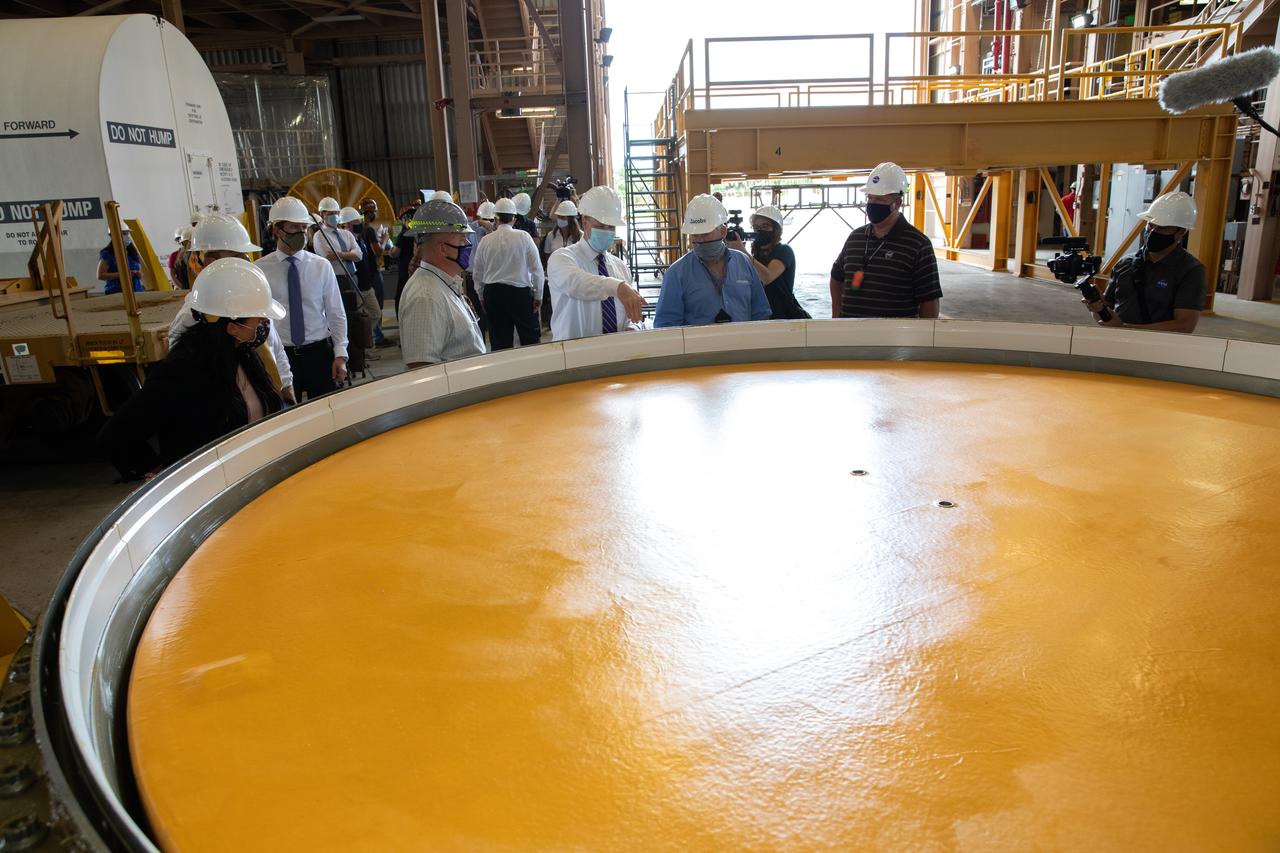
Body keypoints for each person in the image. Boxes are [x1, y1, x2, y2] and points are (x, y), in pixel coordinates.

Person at [98, 258, 286, 481]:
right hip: (211, 489)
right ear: (232, 327)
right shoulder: (180, 373)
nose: (265, 324)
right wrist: (158, 471)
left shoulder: (243, 356)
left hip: (250, 479)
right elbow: (115, 435)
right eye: (259, 319)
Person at [167, 212, 295, 404]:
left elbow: (274, 347)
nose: (245, 261)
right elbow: (181, 378)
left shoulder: (252, 297)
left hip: (268, 400)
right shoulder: (192, 316)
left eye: (246, 255)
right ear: (211, 262)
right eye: (237, 256)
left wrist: (287, 388)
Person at [255, 196, 349, 398]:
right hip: (282, 357)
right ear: (276, 230)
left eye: (303, 228)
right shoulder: (260, 271)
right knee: (286, 416)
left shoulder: (320, 266)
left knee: (326, 414)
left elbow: (336, 313)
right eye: (294, 227)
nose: (301, 233)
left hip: (319, 354)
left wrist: (340, 354)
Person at [829, 162, 942, 319]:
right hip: (851, 335)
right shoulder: (856, 237)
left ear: (897, 203)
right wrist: (837, 313)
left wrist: (924, 337)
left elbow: (929, 298)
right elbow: (837, 275)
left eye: (880, 200)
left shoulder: (918, 244)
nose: (873, 204)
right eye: (870, 198)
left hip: (895, 339)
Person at [1083, 191, 1205, 333]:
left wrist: (1124, 329)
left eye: (1162, 227)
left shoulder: (1190, 270)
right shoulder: (1125, 263)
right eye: (1150, 225)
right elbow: (1107, 314)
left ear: (1181, 232)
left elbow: (1184, 325)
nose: (1153, 232)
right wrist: (1098, 308)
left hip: (1159, 350)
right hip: (1117, 344)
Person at [653, 193, 771, 328]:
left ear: (723, 232)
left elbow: (760, 312)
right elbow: (666, 325)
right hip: (698, 348)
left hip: (742, 346)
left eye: (705, 234)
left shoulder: (743, 263)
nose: (700, 240)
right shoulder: (676, 273)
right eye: (695, 235)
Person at [546, 185, 646, 340]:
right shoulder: (562, 258)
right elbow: (577, 284)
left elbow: (630, 316)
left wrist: (633, 326)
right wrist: (617, 287)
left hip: (615, 355)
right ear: (585, 222)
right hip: (574, 358)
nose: (607, 231)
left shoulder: (620, 268)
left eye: (611, 227)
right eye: (600, 226)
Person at [399, 199, 486, 368]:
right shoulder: (425, 297)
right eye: (462, 240)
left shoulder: (443, 284)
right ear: (442, 248)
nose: (468, 245)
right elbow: (422, 368)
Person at [472, 198, 545, 350]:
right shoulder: (524, 237)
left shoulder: (485, 241)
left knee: (499, 342)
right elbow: (537, 269)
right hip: (520, 294)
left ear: (496, 218)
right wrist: (538, 296)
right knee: (530, 340)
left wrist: (481, 296)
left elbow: (477, 273)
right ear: (514, 218)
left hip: (493, 294)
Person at [725, 204, 809, 320]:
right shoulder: (756, 256)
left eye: (765, 226)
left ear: (776, 229)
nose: (760, 231)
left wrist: (742, 251)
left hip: (784, 316)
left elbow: (767, 277)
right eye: (756, 227)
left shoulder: (784, 251)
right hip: (762, 315)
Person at [312, 196, 362, 291]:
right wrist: (350, 253)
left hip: (353, 277)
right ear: (322, 214)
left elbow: (359, 255)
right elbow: (328, 256)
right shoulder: (319, 235)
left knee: (355, 305)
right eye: (331, 213)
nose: (334, 215)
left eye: (336, 213)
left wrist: (339, 254)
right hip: (335, 279)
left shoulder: (346, 233)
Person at [97, 226, 144, 294]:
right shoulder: (107, 254)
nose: (126, 236)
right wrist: (122, 274)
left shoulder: (132, 251)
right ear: (113, 235)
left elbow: (139, 270)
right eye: (124, 234)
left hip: (137, 290)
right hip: (116, 291)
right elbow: (100, 275)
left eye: (127, 233)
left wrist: (139, 274)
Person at [391, 204, 417, 314]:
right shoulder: (417, 231)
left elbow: (396, 253)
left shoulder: (404, 233)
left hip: (405, 270)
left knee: (400, 296)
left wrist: (390, 251)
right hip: (416, 268)